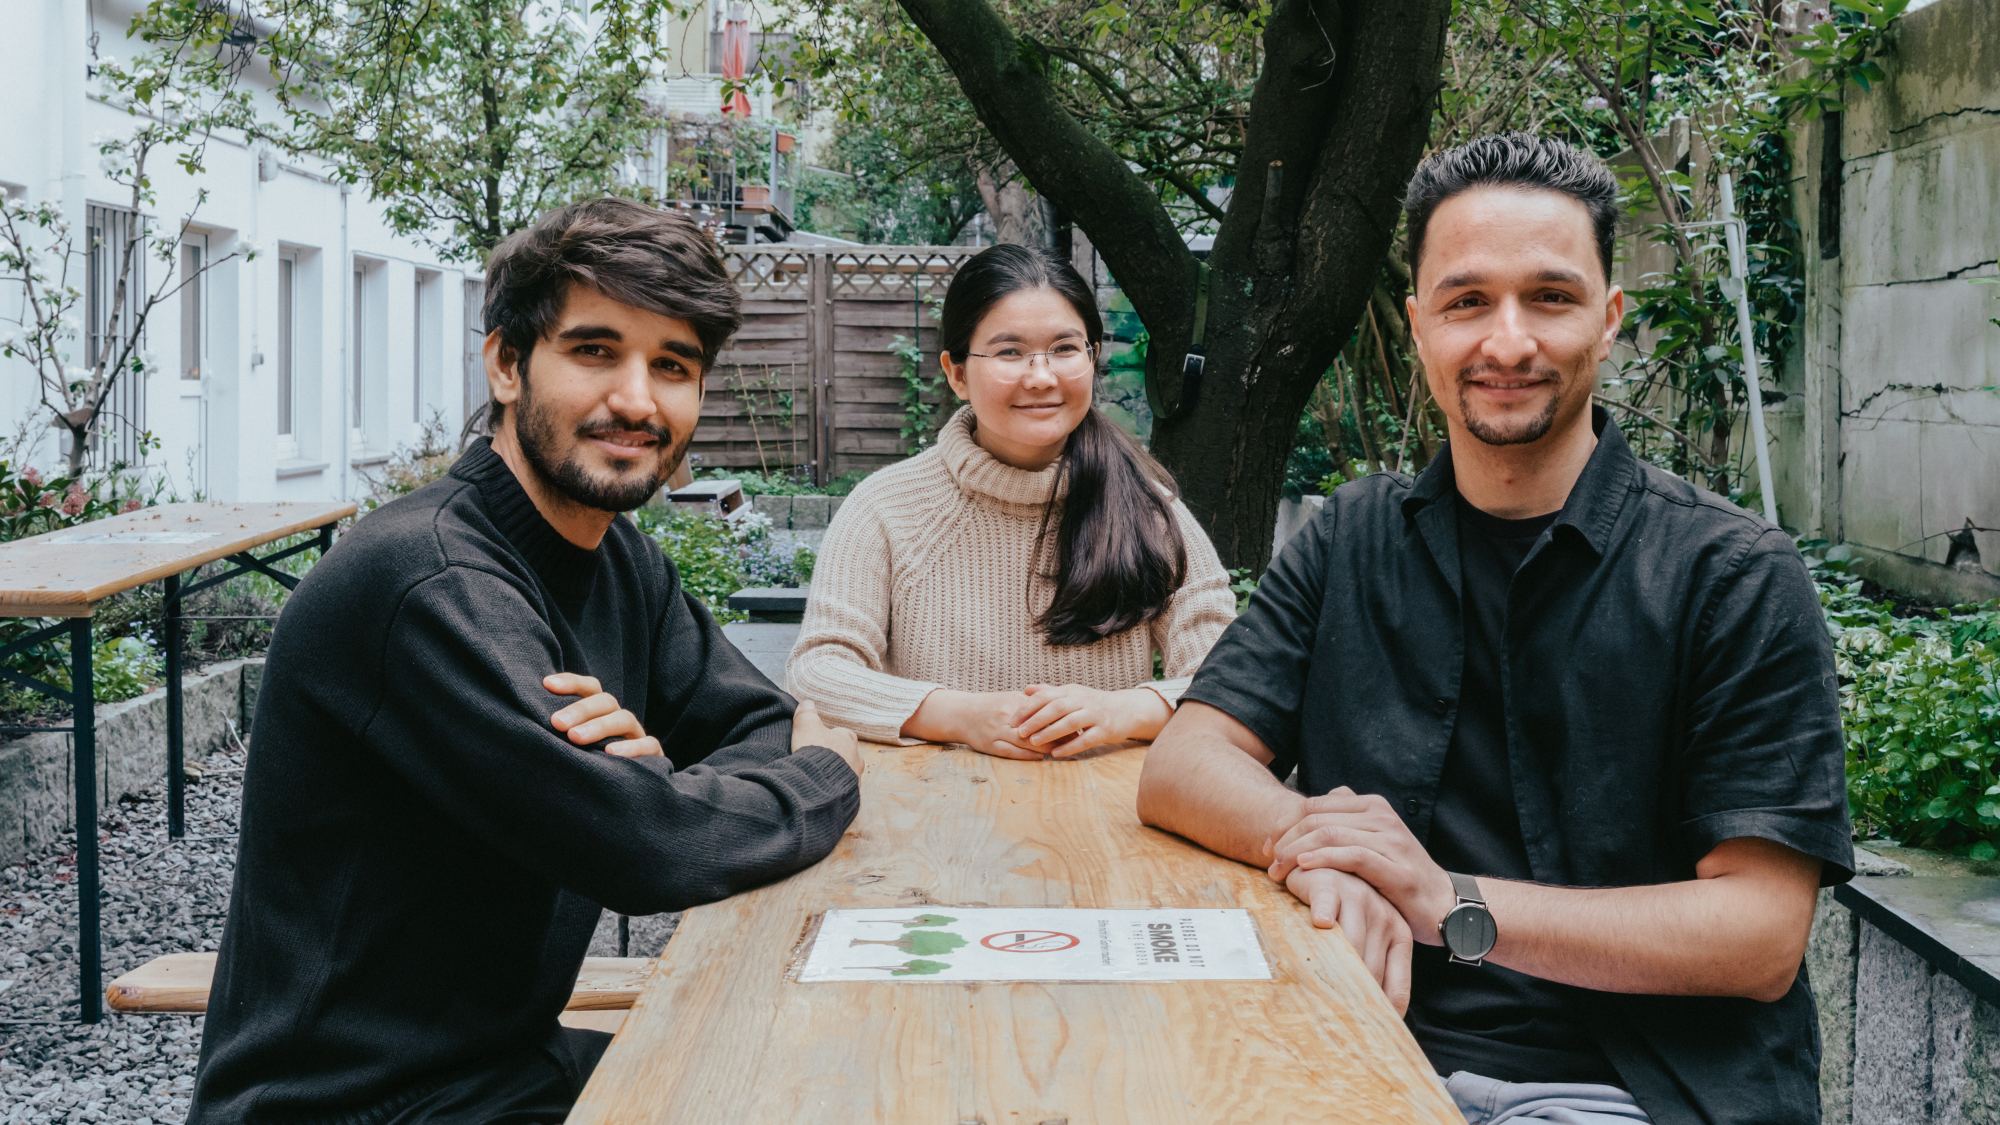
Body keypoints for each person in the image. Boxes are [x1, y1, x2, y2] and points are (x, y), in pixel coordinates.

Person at [1137, 133, 1852, 1125]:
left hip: (1627, 1089)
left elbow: (1758, 935)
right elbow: (1184, 761)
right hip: (1354, 1044)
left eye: (1548, 299)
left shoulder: (1729, 577)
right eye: (1466, 301)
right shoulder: (1351, 536)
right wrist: (1333, 851)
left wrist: (1448, 906)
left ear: (1606, 323)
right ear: (1419, 323)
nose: (1505, 343)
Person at [189, 199, 865, 1122]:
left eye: (673, 365)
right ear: (507, 364)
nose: (636, 398)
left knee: (827, 1074)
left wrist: (656, 784)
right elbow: (648, 847)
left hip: (503, 1068)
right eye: (596, 351)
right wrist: (829, 773)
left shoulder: (618, 557)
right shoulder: (427, 580)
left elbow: (752, 725)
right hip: (352, 1104)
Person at [787, 243, 1235, 759]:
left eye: (1065, 349)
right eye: (1009, 352)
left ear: (1092, 358)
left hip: (1109, 819)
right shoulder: (885, 508)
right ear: (957, 374)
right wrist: (960, 716)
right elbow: (817, 672)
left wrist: (1124, 711)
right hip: (932, 813)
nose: (1041, 377)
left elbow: (1232, 675)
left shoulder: (1147, 508)